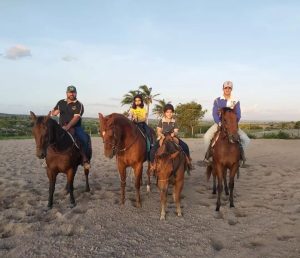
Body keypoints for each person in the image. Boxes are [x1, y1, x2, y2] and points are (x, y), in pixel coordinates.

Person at [203, 81, 250, 166]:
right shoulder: (217, 101)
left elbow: (238, 115)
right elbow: (214, 114)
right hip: (219, 124)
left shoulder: (236, 101)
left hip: (232, 125)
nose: (227, 89)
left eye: (229, 88)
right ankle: (208, 157)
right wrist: (219, 123)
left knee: (246, 139)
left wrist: (233, 124)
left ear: (231, 89)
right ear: (223, 89)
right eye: (226, 88)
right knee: (206, 137)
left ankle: (239, 157)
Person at [51, 85, 90, 169]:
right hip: (61, 126)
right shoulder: (61, 102)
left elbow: (76, 118)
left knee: (84, 139)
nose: (71, 94)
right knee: (50, 138)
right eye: (70, 92)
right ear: (67, 93)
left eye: (73, 92)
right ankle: (47, 159)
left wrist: (68, 126)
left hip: (75, 127)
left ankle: (85, 159)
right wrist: (54, 112)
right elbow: (54, 113)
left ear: (76, 93)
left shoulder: (79, 104)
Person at [150, 103, 192, 171]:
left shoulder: (174, 121)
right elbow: (158, 131)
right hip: (163, 137)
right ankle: (153, 165)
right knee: (152, 150)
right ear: (164, 113)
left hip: (172, 137)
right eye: (167, 112)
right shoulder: (161, 121)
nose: (169, 114)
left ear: (172, 112)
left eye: (171, 112)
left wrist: (174, 134)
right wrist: (161, 135)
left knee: (185, 146)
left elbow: (176, 131)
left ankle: (188, 162)